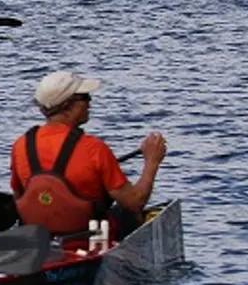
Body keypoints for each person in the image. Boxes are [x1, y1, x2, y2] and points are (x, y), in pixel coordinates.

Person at [10, 71, 167, 237]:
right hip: (88, 236)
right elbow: (135, 202)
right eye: (85, 97)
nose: (90, 102)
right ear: (67, 106)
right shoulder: (95, 149)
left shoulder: (20, 146)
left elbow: (22, 198)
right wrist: (151, 162)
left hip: (42, 236)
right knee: (129, 213)